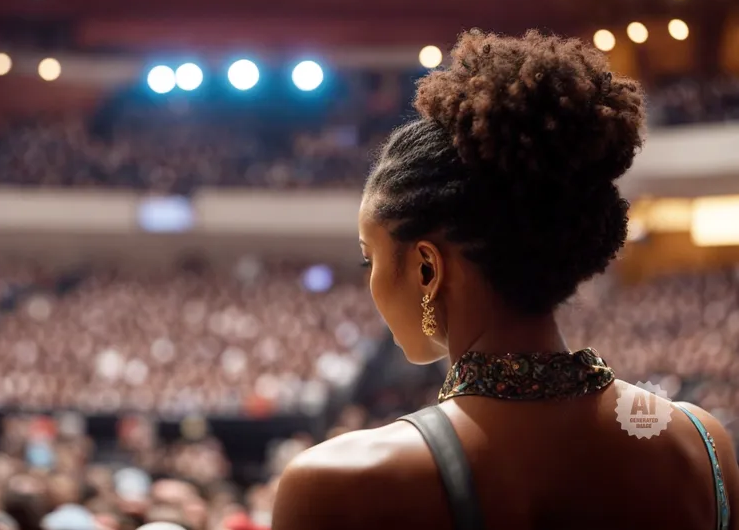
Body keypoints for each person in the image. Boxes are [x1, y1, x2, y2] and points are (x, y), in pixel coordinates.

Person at [272, 30, 739, 530]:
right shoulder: (701, 443)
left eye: (370, 260)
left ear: (427, 268)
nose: (371, 282)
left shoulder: (337, 484)